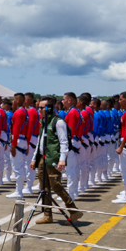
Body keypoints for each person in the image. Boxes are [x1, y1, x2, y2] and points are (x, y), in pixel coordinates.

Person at [31, 95, 81, 224]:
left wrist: (62, 159)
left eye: (41, 107)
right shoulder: (44, 121)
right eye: (38, 107)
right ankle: (47, 214)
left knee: (56, 186)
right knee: (44, 187)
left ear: (49, 108)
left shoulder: (58, 122)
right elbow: (39, 142)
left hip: (53, 158)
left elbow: (64, 142)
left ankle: (73, 210)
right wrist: (34, 158)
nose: (39, 110)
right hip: (43, 158)